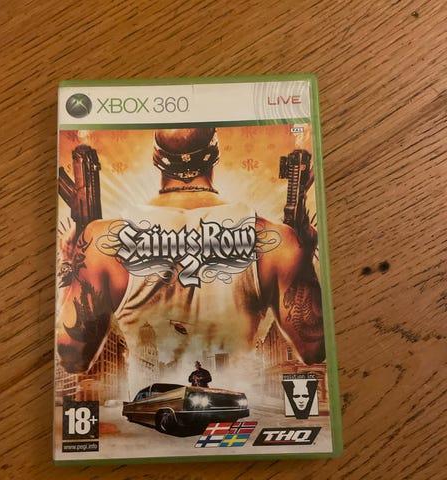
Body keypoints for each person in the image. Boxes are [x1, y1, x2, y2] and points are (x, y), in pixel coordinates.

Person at [57, 128, 324, 378]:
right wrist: (306, 256)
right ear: (215, 155)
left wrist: (70, 263)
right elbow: (314, 348)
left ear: (156, 158)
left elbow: (73, 356)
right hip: (237, 402)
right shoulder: (277, 240)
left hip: (149, 402)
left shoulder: (102, 240)